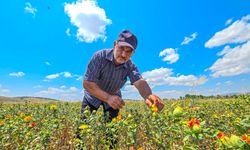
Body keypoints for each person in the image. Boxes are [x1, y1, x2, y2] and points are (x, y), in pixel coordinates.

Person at [81, 30, 164, 121]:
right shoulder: (99, 56)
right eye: (121, 48)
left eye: (129, 51)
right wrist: (107, 97)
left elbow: (139, 82)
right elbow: (87, 83)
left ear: (133, 53)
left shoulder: (130, 66)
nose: (124, 54)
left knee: (112, 130)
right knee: (83, 126)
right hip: (93, 95)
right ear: (115, 45)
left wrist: (148, 95)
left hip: (114, 98)